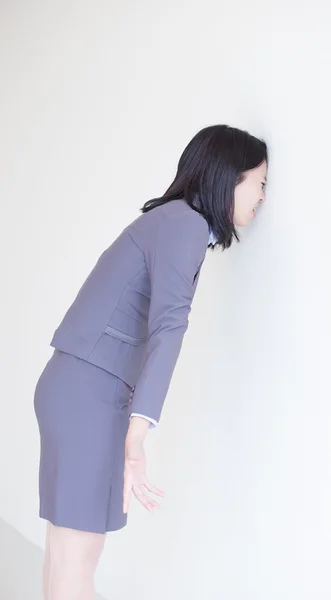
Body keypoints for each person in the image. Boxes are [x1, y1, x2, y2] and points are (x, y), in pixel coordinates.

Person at [33, 123, 268, 599]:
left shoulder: (170, 221)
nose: (263, 195)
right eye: (259, 182)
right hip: (90, 391)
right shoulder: (185, 223)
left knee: (66, 553)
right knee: (77, 557)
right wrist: (138, 435)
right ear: (230, 177)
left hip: (75, 383)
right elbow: (169, 325)